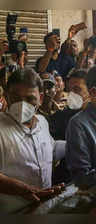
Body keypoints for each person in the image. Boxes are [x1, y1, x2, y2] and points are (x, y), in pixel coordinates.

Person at [0, 68, 65, 202]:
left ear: (40, 98)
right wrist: (17, 188)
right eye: (16, 98)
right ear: (7, 97)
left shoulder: (42, 122)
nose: (22, 105)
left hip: (43, 205)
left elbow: (50, 148)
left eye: (30, 98)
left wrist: (76, 143)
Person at [49, 69, 90, 141]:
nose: (72, 93)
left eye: (77, 89)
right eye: (70, 89)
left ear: (90, 91)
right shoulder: (60, 118)